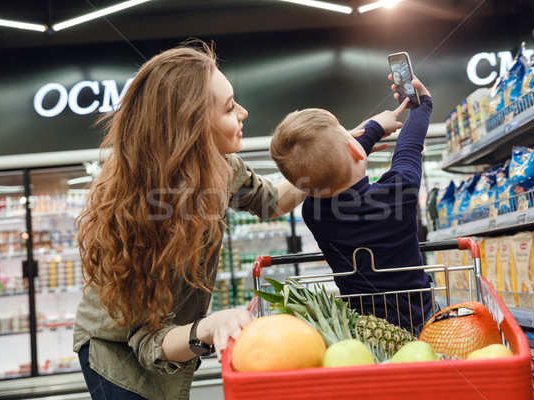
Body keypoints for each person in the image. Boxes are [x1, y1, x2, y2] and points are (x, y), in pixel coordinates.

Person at [71, 40, 316, 400]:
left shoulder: (220, 164)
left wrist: (329, 159)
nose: (244, 112)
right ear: (193, 128)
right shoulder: (145, 213)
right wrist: (207, 326)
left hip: (163, 340)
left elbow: (271, 202)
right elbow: (147, 341)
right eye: (230, 107)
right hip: (117, 355)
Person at [270, 76, 434, 333]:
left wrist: (367, 135)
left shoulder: (313, 212)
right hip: (418, 322)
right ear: (356, 151)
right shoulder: (399, 193)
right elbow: (409, 145)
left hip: (360, 328)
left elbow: (326, 170)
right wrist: (422, 104)